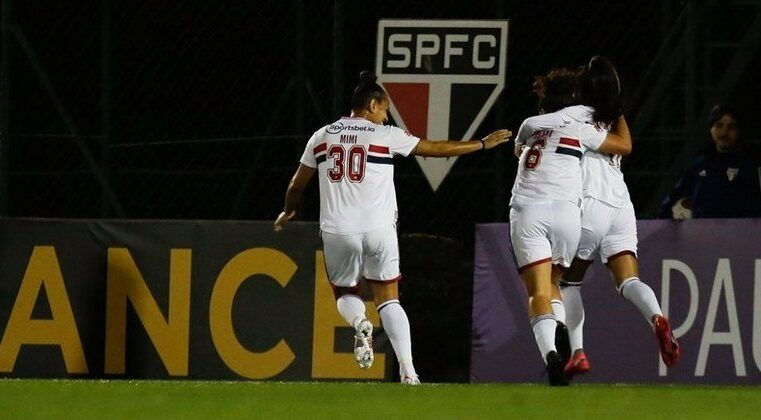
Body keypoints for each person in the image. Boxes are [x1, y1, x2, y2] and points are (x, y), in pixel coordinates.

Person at [273, 71, 511, 385]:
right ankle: (409, 372)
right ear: (372, 105)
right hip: (379, 230)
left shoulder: (321, 136)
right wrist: (481, 144)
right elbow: (435, 148)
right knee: (389, 299)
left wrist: (289, 210)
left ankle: (360, 322)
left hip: (338, 230)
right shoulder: (384, 135)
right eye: (384, 109)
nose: (386, 116)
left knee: (345, 292)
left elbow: (296, 185)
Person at [558, 56, 681, 379]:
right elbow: (626, 143)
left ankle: (577, 352)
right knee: (629, 280)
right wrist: (614, 103)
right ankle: (656, 317)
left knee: (569, 281)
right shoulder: (613, 119)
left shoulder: (572, 120)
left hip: (590, 203)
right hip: (621, 205)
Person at [509, 65, 632, 386]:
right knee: (555, 285)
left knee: (538, 292)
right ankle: (562, 334)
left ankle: (551, 352)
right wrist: (614, 106)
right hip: (566, 215)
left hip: (527, 211)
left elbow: (520, 151)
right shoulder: (583, 126)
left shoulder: (529, 123)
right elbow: (623, 146)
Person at [659, 104, 761, 219]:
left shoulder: (750, 166)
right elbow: (672, 200)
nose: (724, 132)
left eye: (731, 127)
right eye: (719, 125)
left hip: (740, 234)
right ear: (711, 129)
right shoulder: (699, 164)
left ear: (739, 131)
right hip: (704, 234)